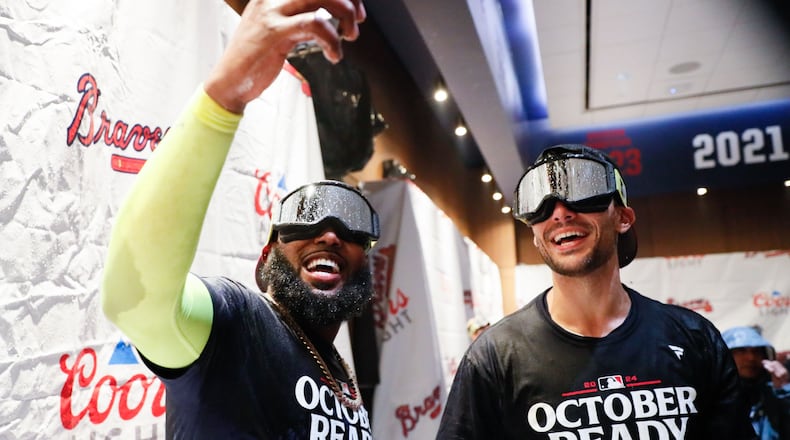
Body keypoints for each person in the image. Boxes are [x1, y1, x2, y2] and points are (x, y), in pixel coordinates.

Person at [100, 1, 376, 438]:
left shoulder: (337, 367)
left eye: (352, 228)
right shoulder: (240, 325)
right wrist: (225, 94)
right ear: (264, 260)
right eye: (302, 223)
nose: (329, 233)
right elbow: (135, 300)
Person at [437, 144, 756, 439]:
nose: (560, 212)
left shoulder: (694, 338)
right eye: (540, 203)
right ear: (534, 235)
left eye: (584, 191)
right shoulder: (494, 357)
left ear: (623, 217)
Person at [722, 326, 790, 439]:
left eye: (756, 351)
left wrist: (783, 391)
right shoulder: (712, 396)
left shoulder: (774, 394)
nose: (751, 358)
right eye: (741, 351)